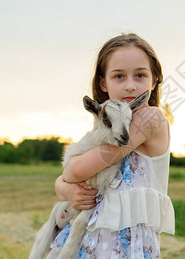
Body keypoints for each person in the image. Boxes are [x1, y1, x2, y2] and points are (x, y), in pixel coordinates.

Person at [47, 33, 175, 258]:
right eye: (119, 76)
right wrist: (63, 187)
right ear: (102, 83)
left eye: (140, 75)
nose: (130, 86)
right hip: (87, 242)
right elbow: (76, 175)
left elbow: (75, 170)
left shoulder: (150, 120)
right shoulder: (104, 131)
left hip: (126, 250)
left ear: (154, 81)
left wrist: (66, 181)